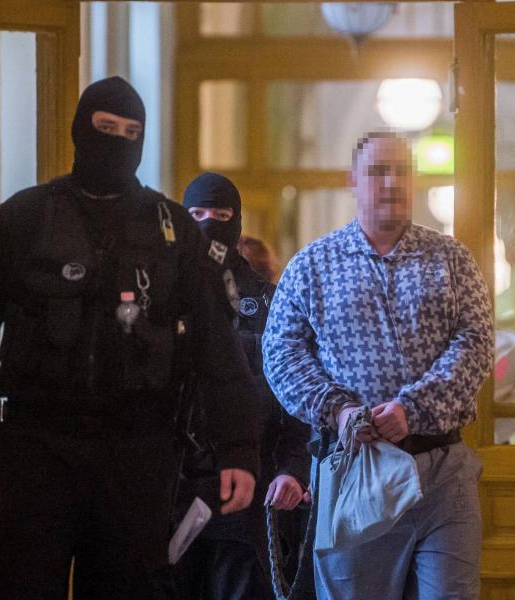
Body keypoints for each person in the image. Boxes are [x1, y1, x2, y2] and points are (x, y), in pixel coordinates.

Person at [0, 77, 260, 600]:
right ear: (81, 130)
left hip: (138, 450)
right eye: (105, 128)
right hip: (38, 446)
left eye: (130, 132)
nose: (116, 141)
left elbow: (217, 349)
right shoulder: (27, 219)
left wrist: (238, 449)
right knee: (20, 585)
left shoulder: (172, 231)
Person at [262, 131, 494, 599]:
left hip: (441, 472)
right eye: (377, 171)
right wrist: (338, 410)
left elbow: (476, 342)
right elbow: (280, 352)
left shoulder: (451, 260)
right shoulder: (313, 265)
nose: (391, 182)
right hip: (354, 472)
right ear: (353, 180)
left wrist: (413, 408)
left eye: (401, 171)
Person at [174, 172, 311, 600]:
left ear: (236, 221)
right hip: (173, 487)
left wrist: (294, 469)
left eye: (220, 216)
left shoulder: (273, 303)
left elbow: (297, 396)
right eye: (196, 215)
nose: (207, 225)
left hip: (251, 490)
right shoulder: (158, 295)